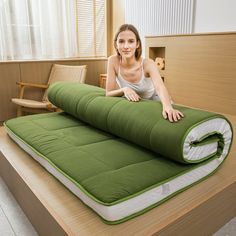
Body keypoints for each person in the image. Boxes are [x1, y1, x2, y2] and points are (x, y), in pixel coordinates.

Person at [106, 24, 184, 122]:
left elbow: (160, 87)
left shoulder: (148, 63)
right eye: (121, 41)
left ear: (137, 44)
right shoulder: (112, 61)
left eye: (131, 41)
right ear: (116, 44)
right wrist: (124, 90)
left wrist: (168, 107)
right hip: (138, 104)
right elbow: (108, 93)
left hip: (155, 99)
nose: (126, 46)